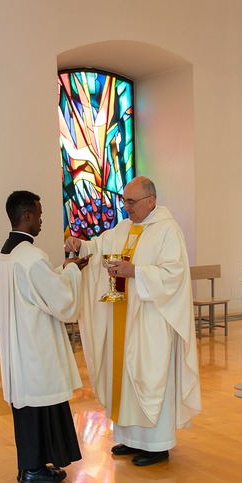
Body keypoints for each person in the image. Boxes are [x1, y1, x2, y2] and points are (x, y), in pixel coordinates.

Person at [64, 177, 201, 466]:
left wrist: (135, 271)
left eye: (131, 202)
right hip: (121, 318)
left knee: (150, 377)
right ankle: (130, 438)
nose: (127, 207)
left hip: (151, 321)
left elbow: (174, 275)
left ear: (151, 201)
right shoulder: (124, 227)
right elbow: (99, 248)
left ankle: (157, 444)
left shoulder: (167, 230)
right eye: (124, 201)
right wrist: (81, 245)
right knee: (124, 377)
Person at [0, 191, 91, 483]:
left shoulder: (5, 255)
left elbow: (35, 288)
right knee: (41, 402)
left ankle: (31, 467)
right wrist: (72, 271)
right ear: (27, 216)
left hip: (18, 344)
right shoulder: (32, 257)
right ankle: (33, 470)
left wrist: (64, 270)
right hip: (36, 345)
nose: (41, 221)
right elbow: (61, 302)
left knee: (29, 407)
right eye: (39, 214)